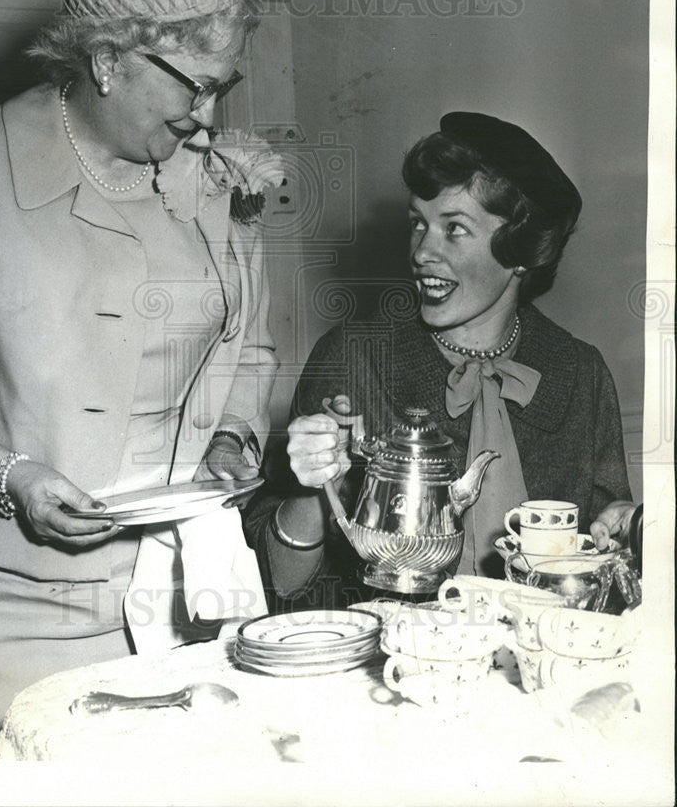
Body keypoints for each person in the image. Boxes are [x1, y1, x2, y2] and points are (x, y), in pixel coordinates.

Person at [0, 0, 278, 758]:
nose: (208, 117)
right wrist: (15, 476)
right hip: (7, 594)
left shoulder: (211, 178)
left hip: (186, 581)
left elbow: (249, 349)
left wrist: (232, 436)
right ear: (108, 59)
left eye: (223, 87)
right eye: (194, 88)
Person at [244, 112, 636, 609]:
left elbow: (607, 566)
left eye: (454, 229)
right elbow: (281, 581)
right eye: (419, 223)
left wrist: (626, 532)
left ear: (520, 250)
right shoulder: (354, 355)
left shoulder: (579, 373)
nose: (422, 251)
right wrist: (310, 487)